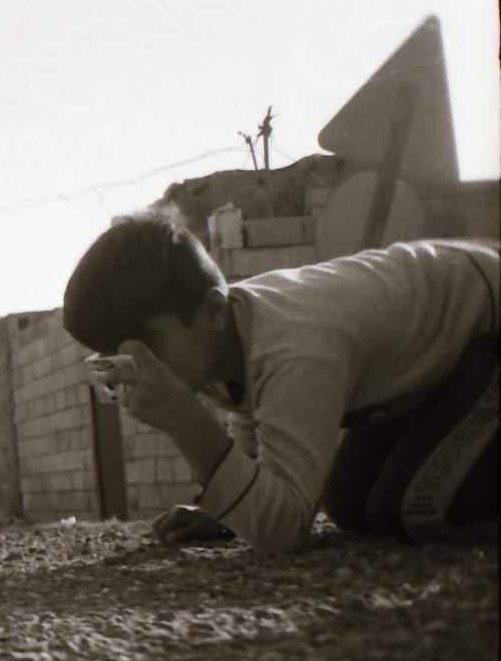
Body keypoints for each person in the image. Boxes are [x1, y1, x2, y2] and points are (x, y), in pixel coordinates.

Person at [62, 208, 497, 553]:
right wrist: (226, 510)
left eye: (145, 349)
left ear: (212, 312)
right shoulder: (227, 332)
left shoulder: (297, 347)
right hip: (441, 360)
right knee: (350, 504)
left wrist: (187, 423)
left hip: (488, 333)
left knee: (408, 508)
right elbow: (255, 422)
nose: (137, 369)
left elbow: (284, 530)